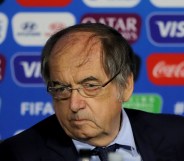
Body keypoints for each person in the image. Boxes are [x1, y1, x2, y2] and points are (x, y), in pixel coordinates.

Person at [0, 23, 184, 161]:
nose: (74, 105)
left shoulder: (178, 136)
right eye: (62, 88)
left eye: (90, 86)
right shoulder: (16, 155)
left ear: (126, 86)